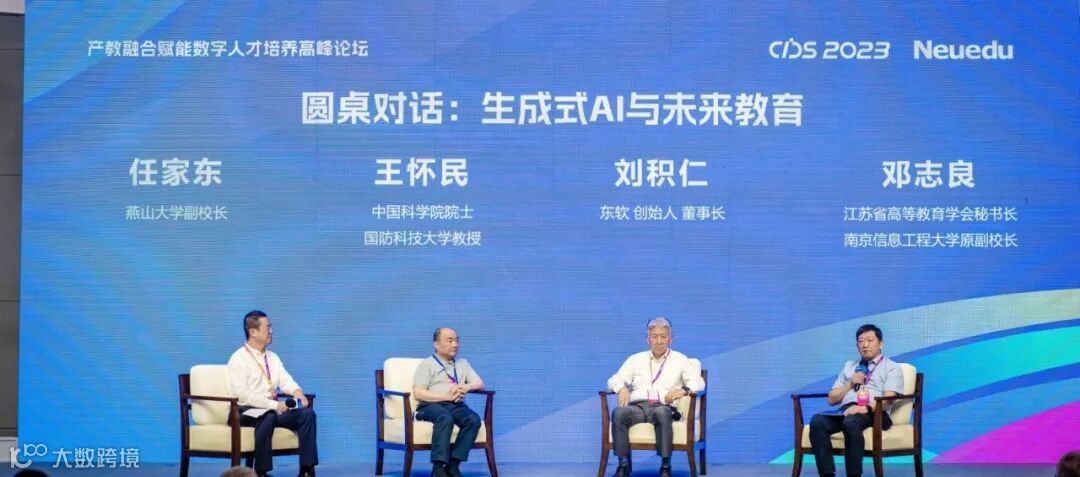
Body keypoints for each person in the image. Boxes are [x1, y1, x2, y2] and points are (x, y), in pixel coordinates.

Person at [606, 317, 705, 477]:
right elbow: (613, 379)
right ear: (648, 339)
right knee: (619, 412)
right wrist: (621, 387)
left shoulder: (680, 360)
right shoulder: (635, 359)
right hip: (637, 407)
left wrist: (683, 390)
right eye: (654, 337)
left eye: (663, 337)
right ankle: (622, 466)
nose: (659, 341)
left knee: (662, 413)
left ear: (670, 339)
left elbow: (698, 382)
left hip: (663, 406)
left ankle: (665, 466)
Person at [226, 310, 318, 477]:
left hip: (272, 410)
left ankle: (307, 470)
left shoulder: (273, 358)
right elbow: (243, 395)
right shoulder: (238, 358)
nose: (272, 331)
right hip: (243, 412)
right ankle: (261, 472)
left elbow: (286, 381)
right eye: (267, 327)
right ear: (253, 332)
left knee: (307, 414)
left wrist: (298, 393)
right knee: (267, 415)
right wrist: (275, 405)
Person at [808, 324, 904, 477]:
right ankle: (827, 474)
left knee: (850, 422)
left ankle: (854, 475)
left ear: (881, 344)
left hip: (875, 412)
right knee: (817, 421)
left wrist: (864, 408)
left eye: (870, 340)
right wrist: (850, 384)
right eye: (861, 341)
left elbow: (890, 399)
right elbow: (831, 399)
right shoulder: (849, 366)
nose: (865, 345)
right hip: (846, 410)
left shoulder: (891, 367)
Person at [412, 327, 485, 477]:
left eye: (457, 340)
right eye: (450, 340)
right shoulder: (427, 364)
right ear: (436, 344)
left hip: (456, 405)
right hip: (431, 405)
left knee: (473, 419)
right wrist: (446, 396)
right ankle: (438, 468)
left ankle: (453, 465)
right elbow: (418, 392)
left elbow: (479, 383)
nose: (455, 344)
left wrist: (465, 387)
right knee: (445, 418)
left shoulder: (462, 364)